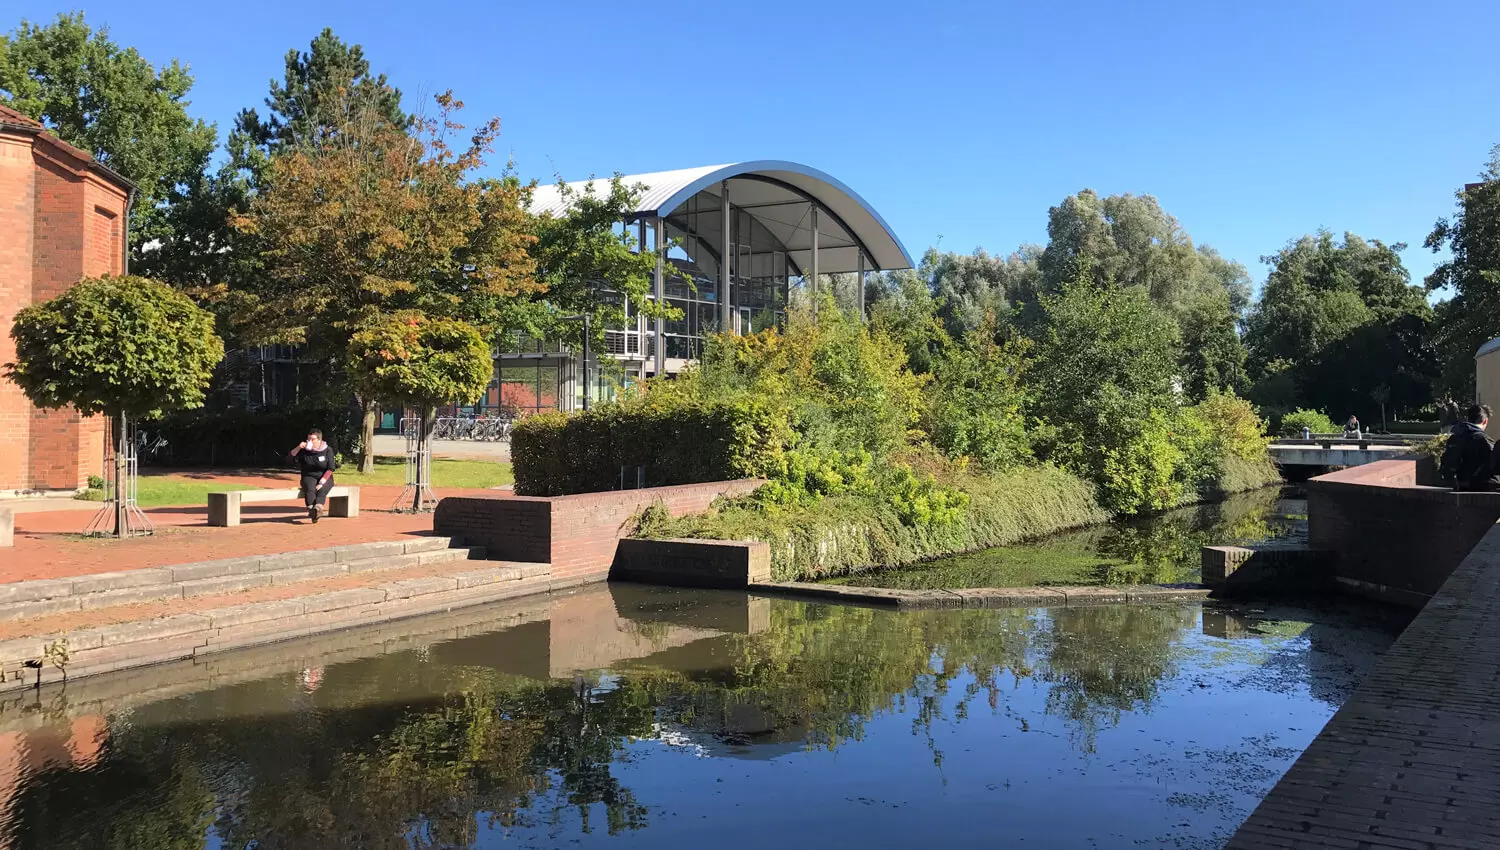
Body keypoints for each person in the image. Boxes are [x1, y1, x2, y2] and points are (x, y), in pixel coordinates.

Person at [1439, 404, 1497, 491]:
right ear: (1485, 421)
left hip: (1458, 484)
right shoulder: (1483, 439)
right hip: (1480, 486)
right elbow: (1494, 463)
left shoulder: (1455, 437)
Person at [290, 429, 337, 523]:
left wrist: (322, 482)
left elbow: (331, 468)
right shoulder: (304, 450)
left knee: (321, 489)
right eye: (308, 439)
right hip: (309, 475)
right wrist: (299, 447)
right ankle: (313, 510)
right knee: (310, 489)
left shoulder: (328, 450)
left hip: (324, 476)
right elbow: (290, 458)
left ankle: (318, 508)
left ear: (319, 440)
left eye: (313, 439)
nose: (309, 442)